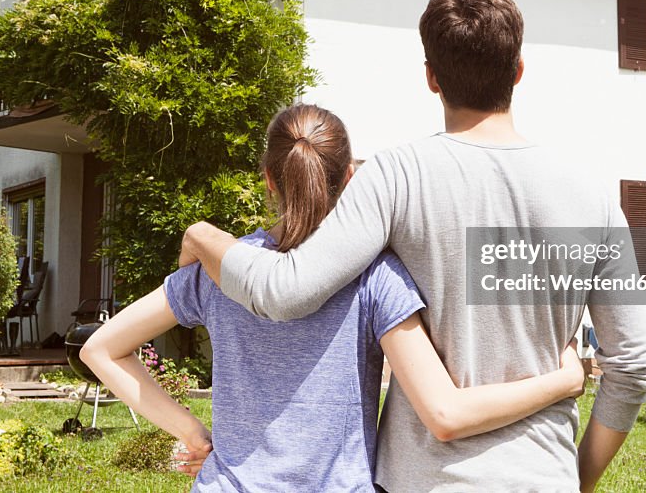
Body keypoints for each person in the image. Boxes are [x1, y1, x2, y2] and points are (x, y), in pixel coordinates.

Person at [179, 0, 646, 492]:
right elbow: (633, 365)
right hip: (544, 477)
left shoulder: (395, 177)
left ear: (431, 78)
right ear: (518, 72)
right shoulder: (594, 197)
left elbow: (286, 291)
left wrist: (203, 236)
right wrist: (575, 480)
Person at [81, 103, 588, 491]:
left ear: (268, 179)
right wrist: (565, 379)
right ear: (350, 177)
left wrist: (190, 431)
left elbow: (100, 349)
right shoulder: (374, 277)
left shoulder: (221, 270)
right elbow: (446, 413)